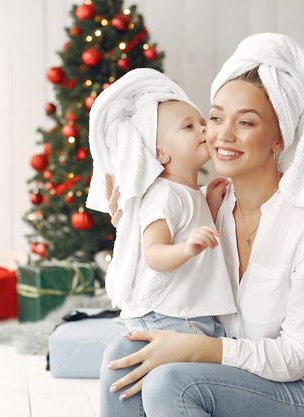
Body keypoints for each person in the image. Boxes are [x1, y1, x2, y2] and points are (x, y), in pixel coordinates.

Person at [99, 33, 304, 417]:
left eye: (245, 122)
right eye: (214, 118)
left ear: (280, 137)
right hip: (233, 375)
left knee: (171, 382)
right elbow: (165, 274)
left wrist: (197, 349)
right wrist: (131, 226)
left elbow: (301, 355)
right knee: (123, 354)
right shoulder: (213, 205)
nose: (222, 134)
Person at [86, 69, 236, 345]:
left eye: (202, 122)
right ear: (160, 154)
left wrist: (210, 207)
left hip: (189, 313)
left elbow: (187, 226)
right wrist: (188, 248)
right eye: (188, 127)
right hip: (169, 317)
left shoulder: (188, 193)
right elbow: (154, 253)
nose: (204, 129)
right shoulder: (163, 195)